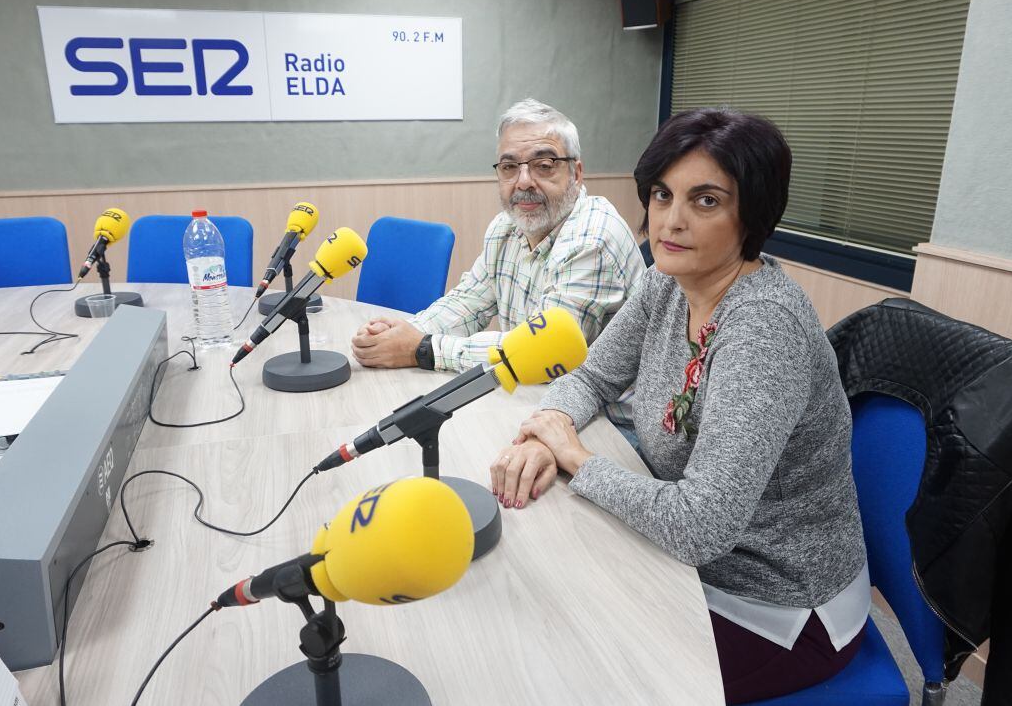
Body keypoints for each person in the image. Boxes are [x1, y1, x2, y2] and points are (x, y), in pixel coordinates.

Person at [490, 108, 870, 704]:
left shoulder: (762, 329)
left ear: (754, 214)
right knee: (540, 600)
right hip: (691, 564)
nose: (672, 220)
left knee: (577, 669)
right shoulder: (668, 279)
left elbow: (699, 526)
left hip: (778, 604)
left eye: (707, 200)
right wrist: (550, 429)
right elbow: (592, 377)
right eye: (663, 195)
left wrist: (577, 460)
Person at [351, 99, 646, 391]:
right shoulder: (506, 226)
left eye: (544, 166)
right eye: (509, 167)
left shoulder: (592, 238)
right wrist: (404, 333)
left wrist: (422, 348)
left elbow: (542, 355)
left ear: (576, 174)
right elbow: (467, 303)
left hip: (607, 421)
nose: (523, 182)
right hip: (533, 396)